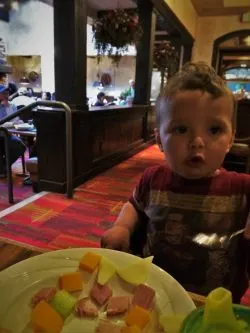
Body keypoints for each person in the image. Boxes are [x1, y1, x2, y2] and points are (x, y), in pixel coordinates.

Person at [101, 62, 250, 303]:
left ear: (231, 139)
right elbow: (135, 205)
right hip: (155, 291)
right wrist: (123, 227)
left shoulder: (241, 188)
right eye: (181, 129)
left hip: (212, 304)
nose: (197, 141)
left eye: (214, 129)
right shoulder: (152, 179)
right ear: (159, 139)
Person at [0, 84, 26, 176]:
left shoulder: (12, 105)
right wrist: (12, 124)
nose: (6, 95)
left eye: (7, 93)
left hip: (8, 134)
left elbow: (16, 120)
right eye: (3, 93)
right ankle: (2, 169)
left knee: (20, 146)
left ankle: (4, 165)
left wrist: (19, 122)